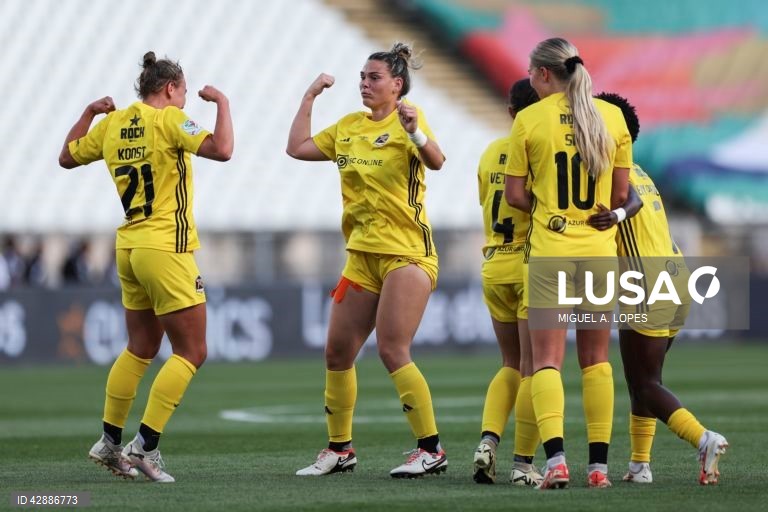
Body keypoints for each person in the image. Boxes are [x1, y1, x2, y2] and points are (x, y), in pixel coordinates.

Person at [59, 51, 233, 482]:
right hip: (165, 249)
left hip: (129, 247)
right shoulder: (170, 120)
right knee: (192, 351)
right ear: (170, 87)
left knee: (140, 348)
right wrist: (223, 104)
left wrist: (87, 113)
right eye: (185, 91)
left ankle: (109, 441)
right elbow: (223, 149)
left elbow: (66, 157)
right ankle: (145, 448)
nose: (186, 99)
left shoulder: (112, 124)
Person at [286, 42, 447, 478]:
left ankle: (430, 449)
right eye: (362, 77)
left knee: (393, 349)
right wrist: (309, 97)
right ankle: (340, 449)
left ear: (397, 85)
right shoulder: (348, 127)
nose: (364, 83)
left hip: (407, 254)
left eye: (374, 78)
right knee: (337, 353)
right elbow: (297, 147)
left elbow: (437, 161)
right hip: (361, 258)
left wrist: (416, 132)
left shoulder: (408, 119)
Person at [504, 37, 632, 489]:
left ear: (542, 74)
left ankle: (556, 461)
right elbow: (620, 197)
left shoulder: (529, 119)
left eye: (530, 73)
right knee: (597, 362)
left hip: (551, 251)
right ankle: (599, 468)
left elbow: (515, 195)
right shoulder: (612, 117)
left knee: (546, 363)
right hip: (599, 252)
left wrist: (550, 210)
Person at [588, 92, 728, 486]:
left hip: (646, 283)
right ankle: (639, 465)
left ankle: (704, 439)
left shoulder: (610, 174)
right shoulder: (640, 171)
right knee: (643, 379)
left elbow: (625, 203)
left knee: (645, 384)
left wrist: (613, 215)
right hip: (675, 274)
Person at [472, 78, 543, 487]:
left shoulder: (490, 152)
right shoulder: (539, 150)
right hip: (531, 265)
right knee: (537, 367)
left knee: (509, 364)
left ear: (510, 110)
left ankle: (488, 441)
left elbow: (485, 198)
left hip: (494, 264)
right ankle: (522, 464)